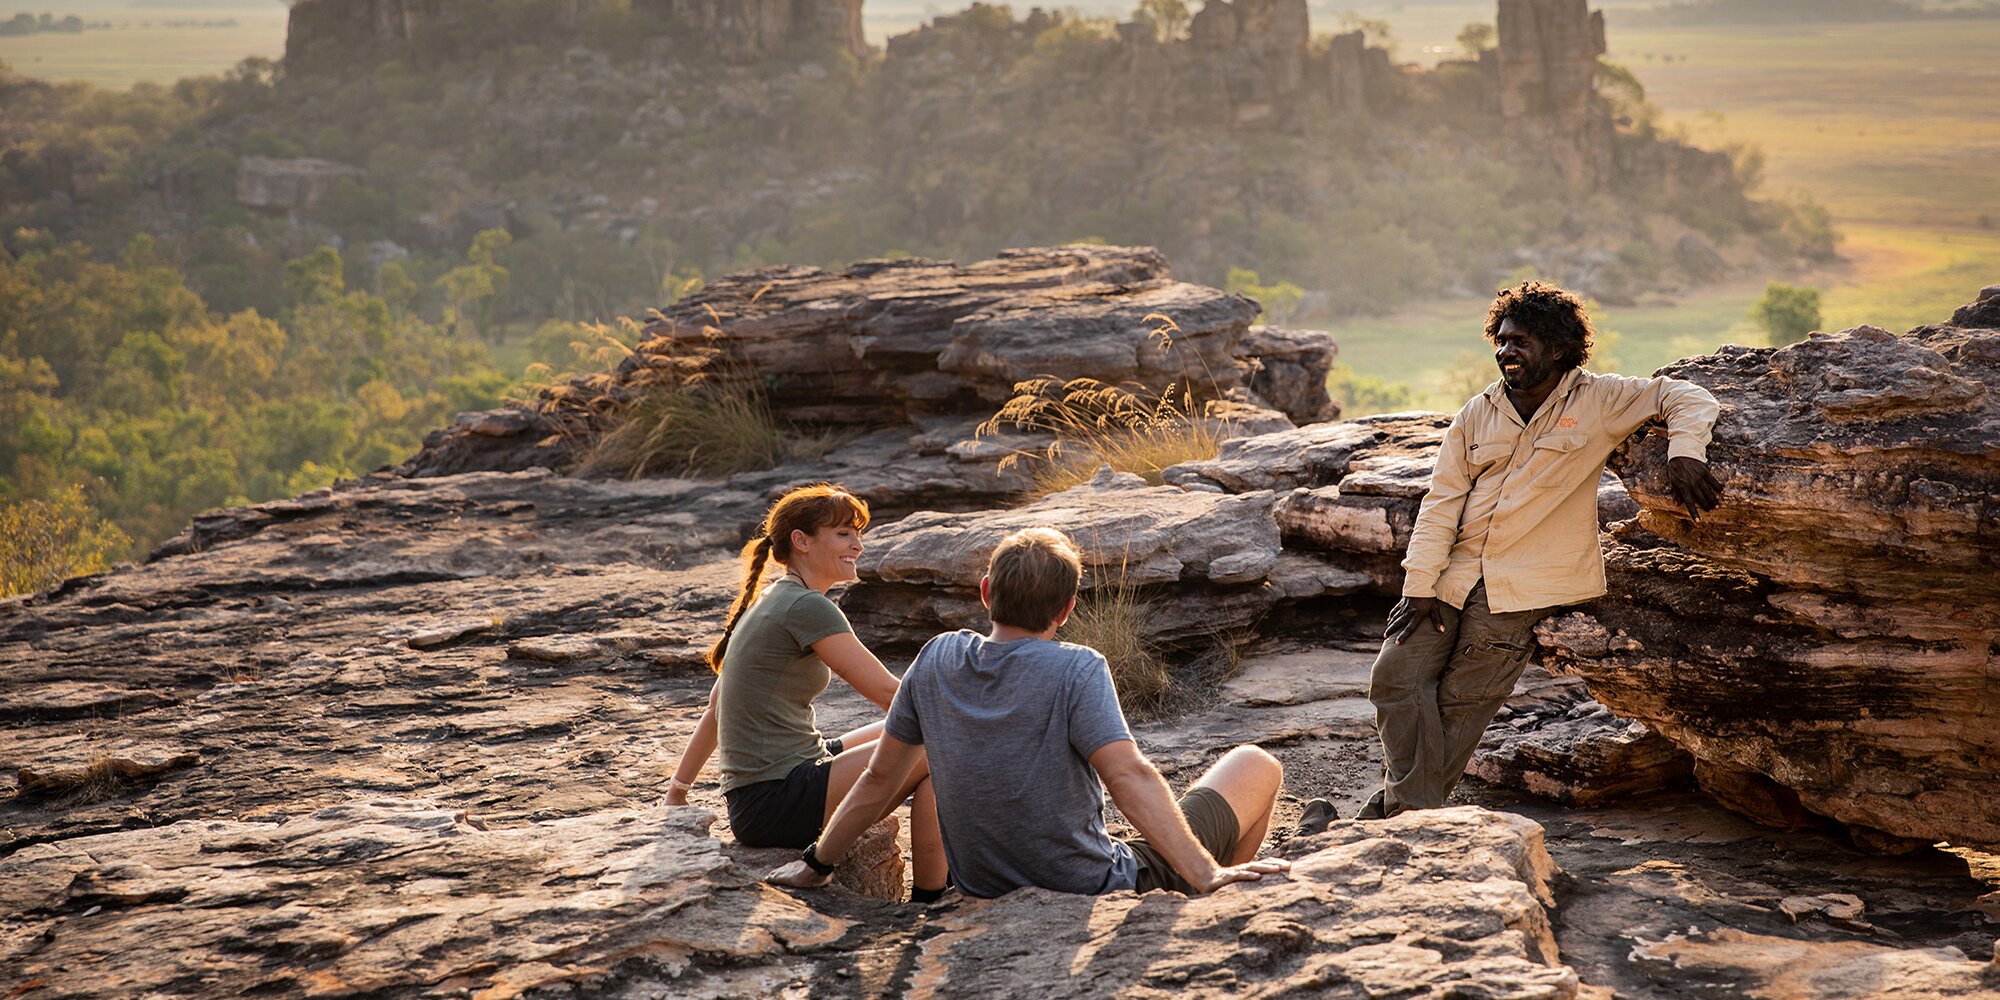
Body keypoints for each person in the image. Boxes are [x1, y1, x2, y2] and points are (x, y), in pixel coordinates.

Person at [1344, 280, 1723, 822]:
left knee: (1460, 706)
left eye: (1520, 342)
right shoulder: (1477, 413)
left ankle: (1389, 820)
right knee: (1395, 680)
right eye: (1501, 341)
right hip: (1452, 576)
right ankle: (1399, 815)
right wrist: (1421, 585)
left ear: (1558, 348)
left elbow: (1685, 395)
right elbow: (1441, 502)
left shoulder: (1599, 400)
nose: (1505, 352)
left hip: (1524, 585)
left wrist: (1686, 453)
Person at [767, 527, 1291, 898]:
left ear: (986, 593)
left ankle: (1208, 888)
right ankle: (1216, 897)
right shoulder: (1078, 668)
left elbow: (880, 777)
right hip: (1088, 882)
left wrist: (817, 865)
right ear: (1067, 610)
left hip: (985, 886)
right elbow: (1128, 775)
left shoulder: (937, 657)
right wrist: (1203, 870)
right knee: (1256, 764)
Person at [662, 483, 949, 902]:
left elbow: (715, 707)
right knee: (935, 742)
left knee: (910, 729)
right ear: (802, 541)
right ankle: (932, 898)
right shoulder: (807, 607)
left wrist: (678, 791)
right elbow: (891, 693)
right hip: (776, 799)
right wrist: (972, 718)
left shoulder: (772, 600)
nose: (859, 546)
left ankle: (938, 883)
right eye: (844, 534)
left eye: (858, 533)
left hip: (764, 792)